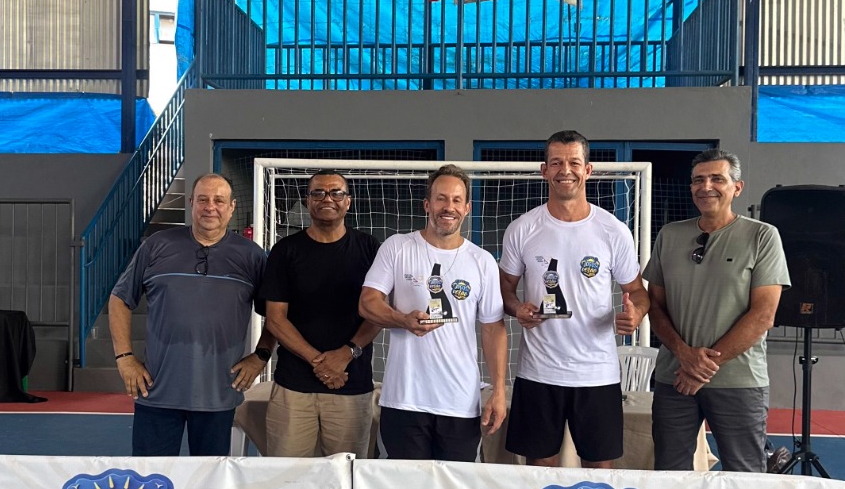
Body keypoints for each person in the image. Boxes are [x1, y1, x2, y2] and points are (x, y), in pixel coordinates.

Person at [499, 130, 649, 468]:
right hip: (539, 372)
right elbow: (504, 288)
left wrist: (636, 314)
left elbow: (638, 291)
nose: (565, 170)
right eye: (556, 163)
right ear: (544, 171)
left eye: (574, 163)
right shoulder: (523, 228)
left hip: (597, 374)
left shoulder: (612, 230)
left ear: (588, 170)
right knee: (540, 473)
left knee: (599, 472)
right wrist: (517, 307)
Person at [645, 148, 789, 473]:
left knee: (744, 476)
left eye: (717, 179)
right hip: (675, 379)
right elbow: (655, 306)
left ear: (737, 187)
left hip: (738, 381)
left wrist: (702, 367)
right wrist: (684, 355)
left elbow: (763, 315)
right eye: (698, 180)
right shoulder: (670, 235)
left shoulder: (762, 236)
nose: (706, 186)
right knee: (670, 475)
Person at [109, 172, 273, 455]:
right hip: (156, 391)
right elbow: (119, 299)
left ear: (232, 206)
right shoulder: (156, 245)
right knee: (153, 477)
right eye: (203, 200)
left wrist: (261, 356)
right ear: (191, 203)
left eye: (219, 200)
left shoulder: (252, 256)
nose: (211, 207)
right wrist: (124, 358)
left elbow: (277, 313)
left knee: (211, 479)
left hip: (219, 395)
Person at [358, 164, 507, 461]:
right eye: (441, 198)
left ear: (466, 208)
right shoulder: (397, 247)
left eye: (456, 200)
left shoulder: (482, 261)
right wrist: (402, 319)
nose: (448, 207)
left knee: (456, 488)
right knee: (402, 486)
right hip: (404, 400)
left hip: (459, 403)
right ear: (427, 204)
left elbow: (493, 327)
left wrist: (499, 391)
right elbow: (367, 302)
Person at [262, 170, 381, 457]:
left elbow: (378, 312)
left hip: (351, 386)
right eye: (318, 193)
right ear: (307, 201)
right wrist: (321, 362)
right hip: (293, 388)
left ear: (348, 202)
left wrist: (346, 354)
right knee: (286, 476)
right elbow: (275, 319)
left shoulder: (370, 249)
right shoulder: (285, 250)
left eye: (336, 192)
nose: (327, 198)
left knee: (346, 477)